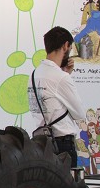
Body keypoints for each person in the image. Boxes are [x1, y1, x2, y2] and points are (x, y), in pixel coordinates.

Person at [31, 26, 86, 162]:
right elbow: (80, 114)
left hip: (41, 143)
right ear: (66, 45)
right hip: (62, 145)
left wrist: (64, 73)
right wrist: (66, 76)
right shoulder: (61, 78)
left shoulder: (34, 75)